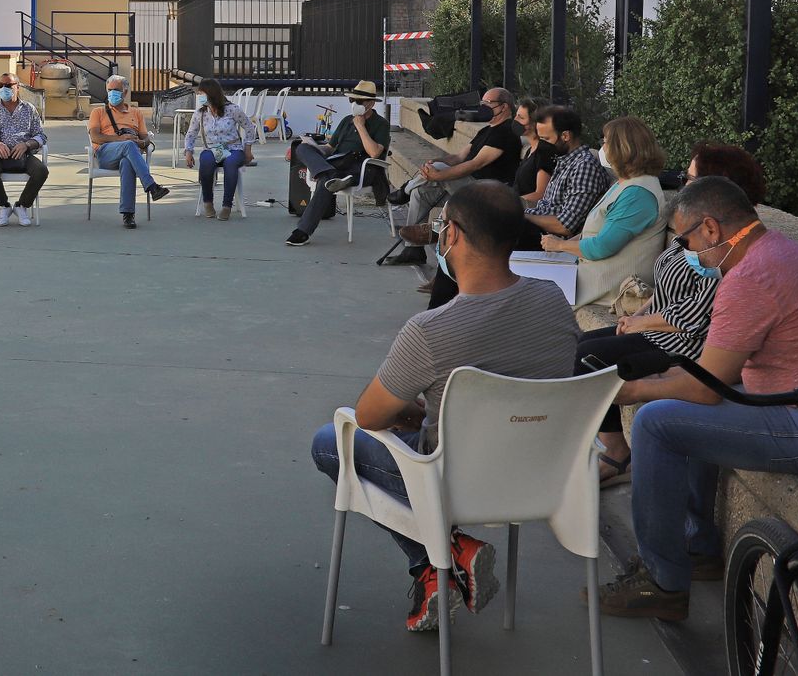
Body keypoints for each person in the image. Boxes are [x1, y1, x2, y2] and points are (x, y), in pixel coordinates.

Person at [310, 181, 580, 631]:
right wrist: (430, 411)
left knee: (329, 441)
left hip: (454, 480)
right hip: (541, 475)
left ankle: (447, 553)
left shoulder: (431, 330)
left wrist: (414, 410)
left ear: (450, 235)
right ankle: (438, 567)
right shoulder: (553, 299)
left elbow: (371, 417)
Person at [596, 176, 798, 622]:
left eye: (686, 239)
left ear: (711, 229)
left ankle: (664, 582)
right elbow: (716, 376)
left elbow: (705, 386)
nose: (687, 250)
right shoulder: (788, 253)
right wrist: (668, 376)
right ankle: (698, 546)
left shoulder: (749, 279)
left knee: (655, 423)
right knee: (684, 407)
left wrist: (633, 391)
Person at [576, 143, 768, 488]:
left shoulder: (727, 249)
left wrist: (639, 323)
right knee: (584, 347)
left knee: (590, 358)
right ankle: (613, 447)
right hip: (660, 328)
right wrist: (645, 310)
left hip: (686, 345)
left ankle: (617, 454)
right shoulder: (699, 230)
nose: (683, 183)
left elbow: (697, 315)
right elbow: (669, 285)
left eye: (690, 178)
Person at [539, 117, 667, 309]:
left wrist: (559, 245)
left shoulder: (637, 194)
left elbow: (602, 247)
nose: (603, 148)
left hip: (607, 285)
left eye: (606, 142)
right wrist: (568, 244)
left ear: (622, 148)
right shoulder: (626, 183)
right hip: (595, 275)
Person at [387, 87, 520, 267]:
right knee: (420, 192)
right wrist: (435, 162)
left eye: (488, 103)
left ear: (504, 107)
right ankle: (413, 249)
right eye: (482, 103)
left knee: (438, 170)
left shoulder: (506, 132)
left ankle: (404, 191)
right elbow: (458, 158)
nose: (483, 107)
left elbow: (476, 164)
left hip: (486, 191)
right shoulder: (486, 131)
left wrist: (439, 174)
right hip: (467, 186)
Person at [285, 80, 390, 246]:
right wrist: (315, 148)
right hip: (337, 164)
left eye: (359, 101)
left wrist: (361, 126)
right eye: (352, 100)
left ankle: (302, 231)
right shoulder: (346, 120)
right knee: (302, 148)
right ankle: (328, 174)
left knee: (325, 182)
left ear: (370, 104)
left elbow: (375, 153)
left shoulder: (381, 124)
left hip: (361, 167)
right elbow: (330, 147)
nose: (354, 104)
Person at [87, 74, 170, 229]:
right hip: (106, 154)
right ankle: (152, 187)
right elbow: (95, 137)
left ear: (125, 92)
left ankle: (128, 214)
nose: (112, 93)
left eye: (116, 90)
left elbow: (146, 139)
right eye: (109, 90)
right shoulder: (98, 112)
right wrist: (122, 139)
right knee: (128, 145)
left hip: (130, 155)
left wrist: (140, 142)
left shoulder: (136, 113)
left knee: (127, 161)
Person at [523, 106, 612, 241]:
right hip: (541, 233)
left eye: (546, 139)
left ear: (565, 136)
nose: (541, 145)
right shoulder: (563, 161)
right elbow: (548, 207)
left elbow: (565, 226)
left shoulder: (584, 167)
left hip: (554, 244)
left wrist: (521, 216)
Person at [0, 73, 48, 226]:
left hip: (23, 154)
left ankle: (22, 206)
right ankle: (4, 206)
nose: (3, 88)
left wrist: (27, 144)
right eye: (0, 85)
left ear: (17, 88)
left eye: (8, 85)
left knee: (41, 170)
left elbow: (41, 135)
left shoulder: (29, 109)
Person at [182, 77, 256, 221]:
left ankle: (227, 206)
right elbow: (191, 134)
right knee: (207, 162)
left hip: (233, 148)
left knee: (230, 164)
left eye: (202, 93)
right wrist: (188, 152)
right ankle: (208, 203)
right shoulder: (200, 113)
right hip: (211, 149)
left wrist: (248, 148)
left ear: (211, 94)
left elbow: (249, 128)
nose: (200, 97)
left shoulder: (233, 109)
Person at [513, 98, 557, 205]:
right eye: (516, 115)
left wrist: (509, 203)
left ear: (535, 123)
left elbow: (540, 194)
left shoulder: (544, 152)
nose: (515, 120)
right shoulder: (531, 149)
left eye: (521, 117)